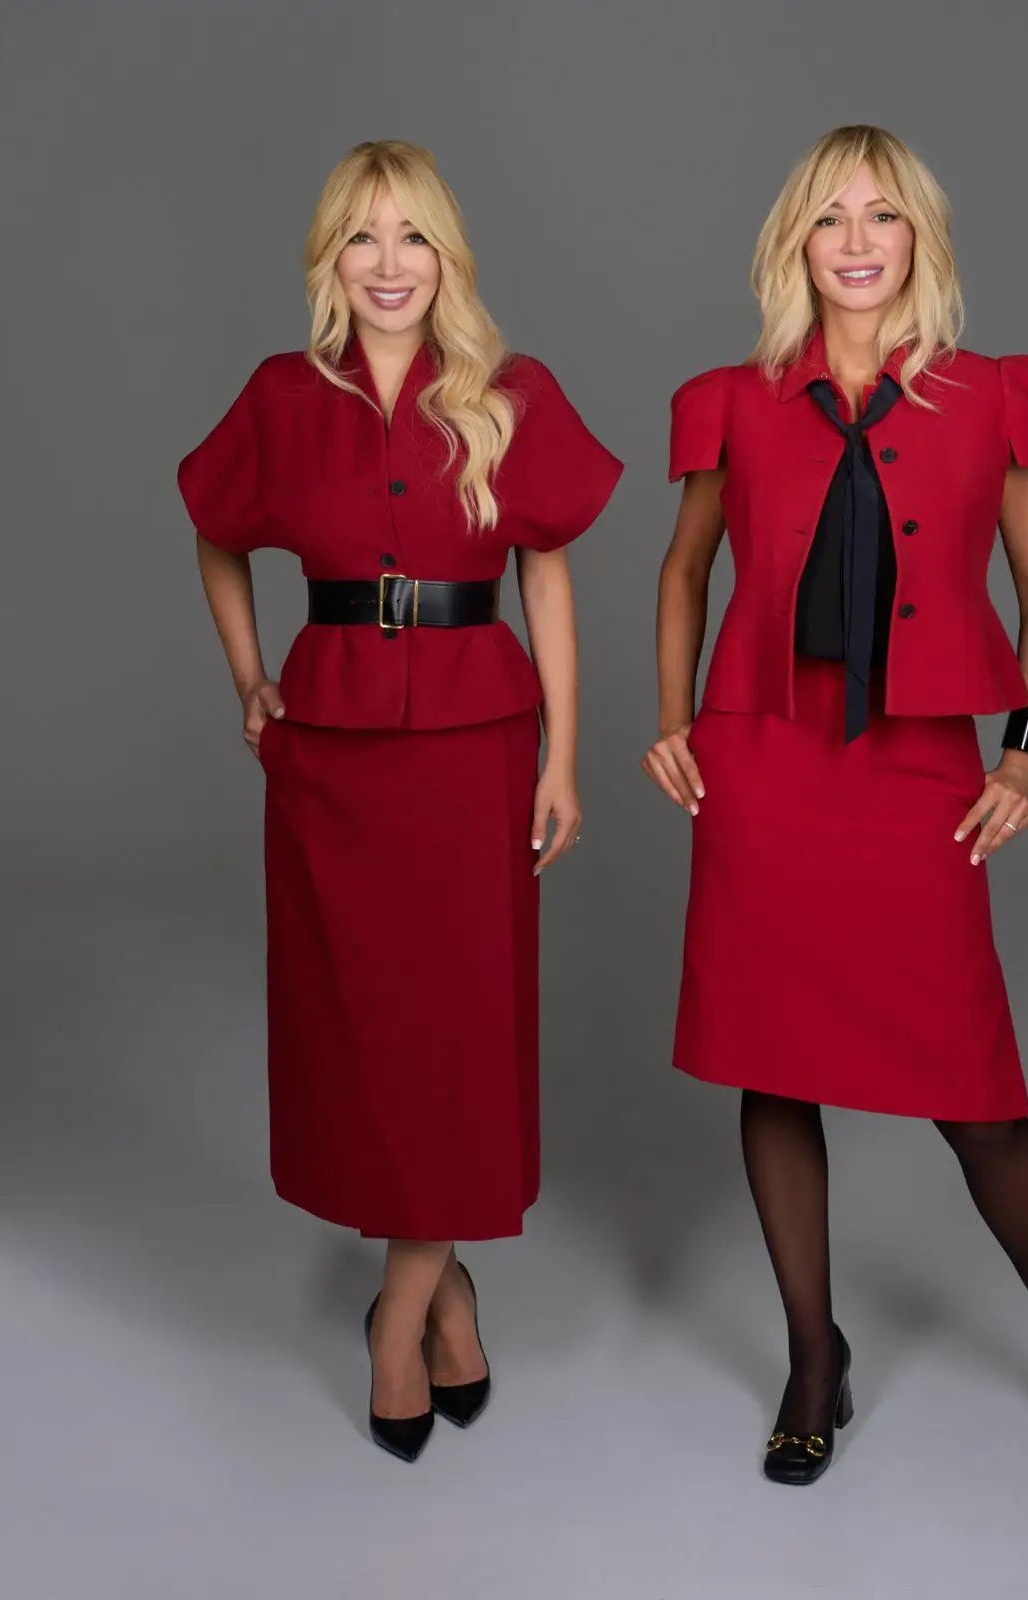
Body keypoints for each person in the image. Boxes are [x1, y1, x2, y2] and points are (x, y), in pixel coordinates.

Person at [643, 124, 1028, 1487]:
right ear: (795, 246)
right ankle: (813, 1360)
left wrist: (1024, 755)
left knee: (977, 1095)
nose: (859, 241)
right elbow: (683, 571)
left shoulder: (995, 395)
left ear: (920, 240)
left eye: (884, 216)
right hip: (765, 762)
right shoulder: (729, 399)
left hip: (922, 768)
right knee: (774, 1066)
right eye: (831, 218)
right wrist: (671, 723)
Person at [179, 139, 622, 1462]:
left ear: (447, 257)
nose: (388, 265)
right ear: (331, 259)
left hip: (475, 748)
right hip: (327, 756)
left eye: (412, 237)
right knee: (360, 1037)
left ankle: (401, 1315)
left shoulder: (509, 391)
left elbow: (547, 579)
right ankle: (445, 1289)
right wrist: (250, 675)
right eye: (362, 239)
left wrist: (561, 757)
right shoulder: (278, 395)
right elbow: (213, 524)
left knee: (452, 1035)